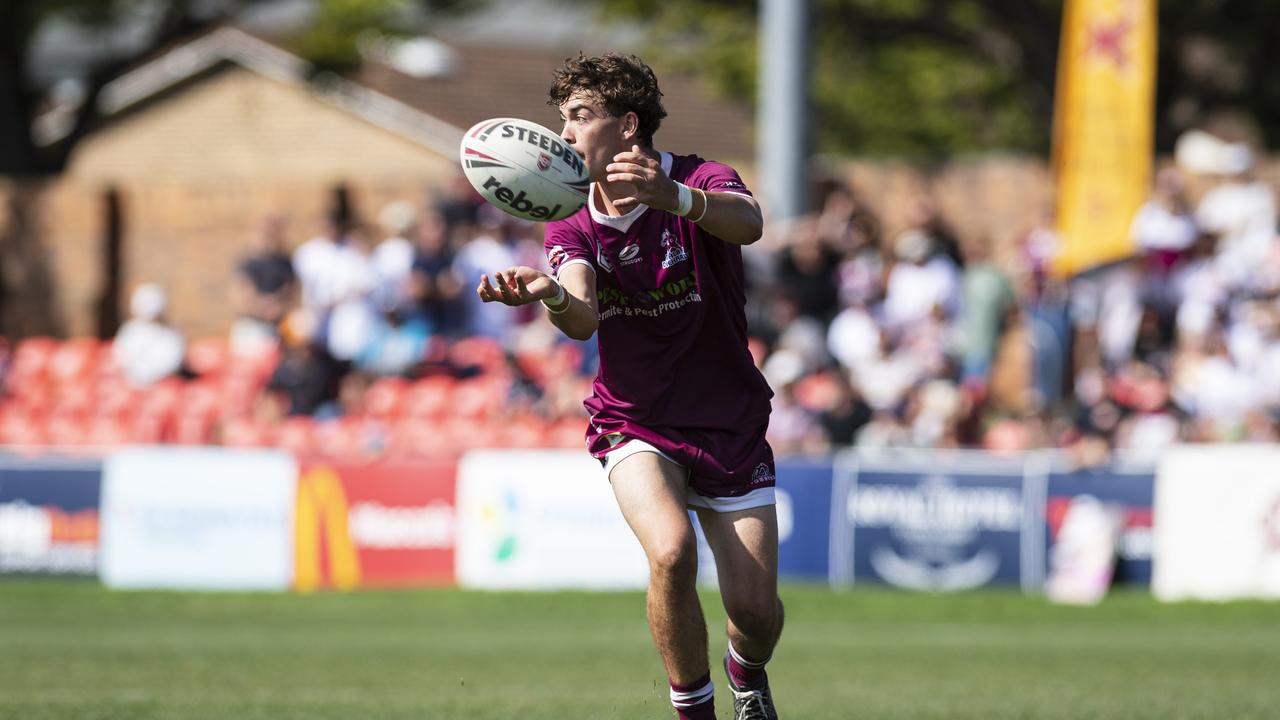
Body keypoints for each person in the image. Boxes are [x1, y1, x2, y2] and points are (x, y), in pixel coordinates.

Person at [475, 53, 784, 720]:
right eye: (563, 119)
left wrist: (676, 199)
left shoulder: (701, 177)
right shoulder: (570, 220)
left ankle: (746, 674)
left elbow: (749, 224)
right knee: (671, 551)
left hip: (728, 418)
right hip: (635, 419)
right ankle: (693, 713)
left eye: (580, 117)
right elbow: (582, 317)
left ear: (628, 125)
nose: (564, 133)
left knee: (756, 616)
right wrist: (551, 294)